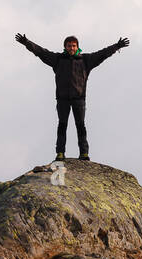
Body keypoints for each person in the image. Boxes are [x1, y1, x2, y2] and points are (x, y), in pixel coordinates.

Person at [14, 30, 129, 161]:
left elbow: (102, 54)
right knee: (62, 126)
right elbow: (41, 52)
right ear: (65, 47)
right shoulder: (57, 59)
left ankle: (84, 153)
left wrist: (117, 46)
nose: (71, 48)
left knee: (80, 126)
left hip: (79, 100)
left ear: (77, 47)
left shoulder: (86, 60)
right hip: (62, 100)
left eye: (74, 45)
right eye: (69, 46)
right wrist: (26, 42)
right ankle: (60, 153)